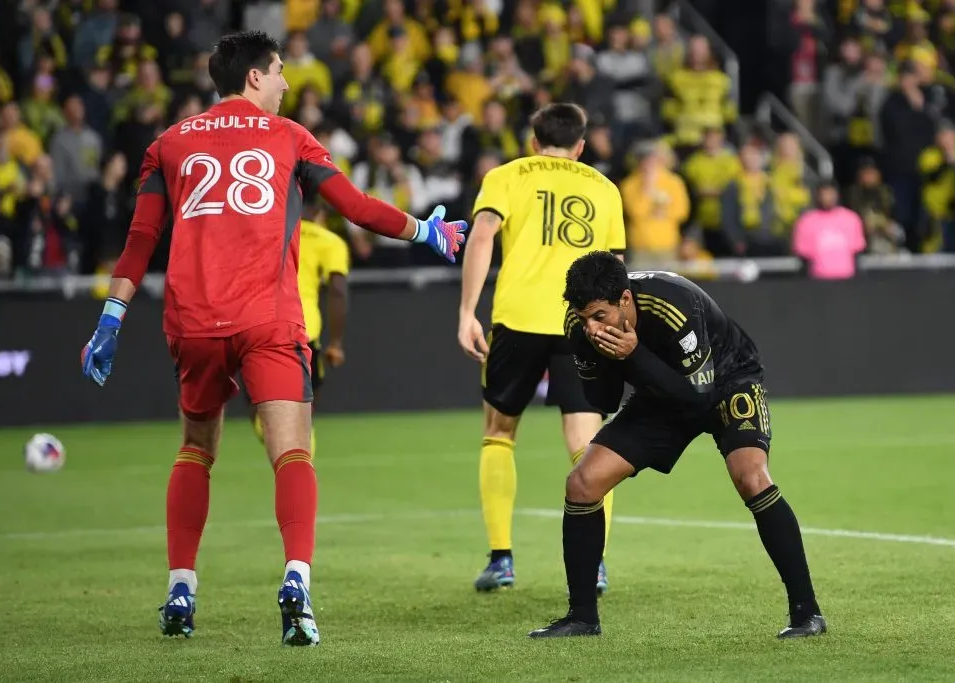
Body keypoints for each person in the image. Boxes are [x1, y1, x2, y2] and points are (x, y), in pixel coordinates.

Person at [79, 30, 466, 647]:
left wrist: (110, 319)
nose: (286, 83)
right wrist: (426, 232)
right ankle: (296, 581)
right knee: (292, 453)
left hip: (194, 320)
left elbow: (140, 241)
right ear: (255, 76)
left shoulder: (169, 144)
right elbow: (357, 207)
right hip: (268, 318)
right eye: (280, 71)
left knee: (195, 450)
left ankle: (181, 587)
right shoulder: (289, 138)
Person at [528, 251, 826, 640]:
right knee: (582, 483)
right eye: (584, 319)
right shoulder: (580, 325)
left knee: (751, 477)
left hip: (725, 380)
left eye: (599, 317)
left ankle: (807, 613)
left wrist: (634, 355)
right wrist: (608, 357)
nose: (591, 327)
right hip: (660, 391)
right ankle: (583, 618)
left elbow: (699, 399)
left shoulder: (672, 303)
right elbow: (604, 401)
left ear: (625, 301)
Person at [457, 103, 626, 594]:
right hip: (581, 322)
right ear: (581, 145)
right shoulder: (603, 187)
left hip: (518, 318)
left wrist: (468, 311)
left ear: (534, 141)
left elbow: (483, 234)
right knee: (587, 444)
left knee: (498, 432)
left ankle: (502, 558)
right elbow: (615, 266)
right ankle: (593, 563)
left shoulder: (506, 176)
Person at [249, 200, 349, 456]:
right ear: (320, 213)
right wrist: (336, 342)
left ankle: (276, 438)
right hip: (303, 333)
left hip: (258, 328)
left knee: (262, 407)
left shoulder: (264, 233)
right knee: (303, 414)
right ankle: (300, 464)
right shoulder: (328, 241)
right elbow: (337, 290)